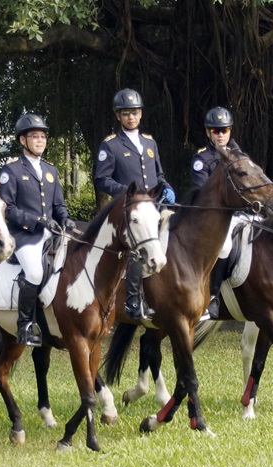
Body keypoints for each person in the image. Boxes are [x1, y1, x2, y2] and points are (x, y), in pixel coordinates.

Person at [93, 88, 175, 321]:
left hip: (153, 207)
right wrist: (128, 194)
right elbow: (101, 178)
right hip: (128, 210)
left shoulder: (149, 142)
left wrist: (166, 187)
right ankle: (132, 300)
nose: (131, 117)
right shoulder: (111, 145)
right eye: (126, 113)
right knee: (139, 246)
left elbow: (159, 174)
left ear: (141, 114)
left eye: (135, 112)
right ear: (118, 116)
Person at [0, 113, 75, 347]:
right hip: (24, 236)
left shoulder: (50, 170)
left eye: (43, 136)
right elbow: (7, 208)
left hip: (51, 234)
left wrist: (66, 219)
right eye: (35, 136)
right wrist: (37, 221)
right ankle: (25, 325)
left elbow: (58, 205)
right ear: (23, 140)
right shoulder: (10, 170)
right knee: (33, 272)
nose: (40, 140)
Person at [193, 106, 247, 320]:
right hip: (215, 217)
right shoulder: (202, 158)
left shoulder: (239, 156)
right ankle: (214, 296)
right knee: (224, 247)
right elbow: (202, 193)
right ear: (208, 133)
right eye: (215, 131)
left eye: (224, 130)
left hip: (240, 213)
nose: (220, 134)